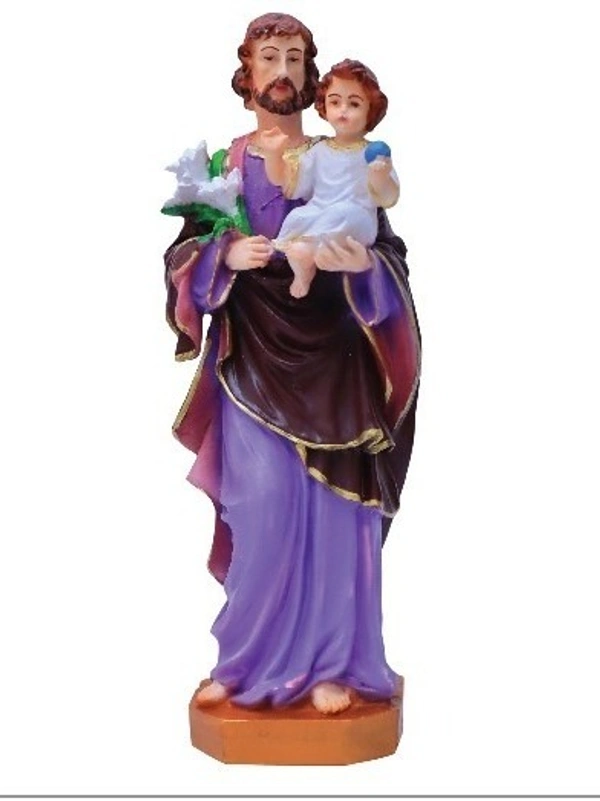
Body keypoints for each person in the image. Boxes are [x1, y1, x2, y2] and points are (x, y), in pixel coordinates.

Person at [163, 13, 421, 715]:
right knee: (262, 507)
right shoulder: (224, 166)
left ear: (312, 76)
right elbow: (181, 257)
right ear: (246, 73)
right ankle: (245, 660)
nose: (283, 71)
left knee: (337, 517)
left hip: (334, 359)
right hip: (252, 362)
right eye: (269, 57)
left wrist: (364, 266)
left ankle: (336, 662)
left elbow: (390, 254)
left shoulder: (342, 154)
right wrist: (224, 254)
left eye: (296, 58)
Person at [261, 59, 399, 298]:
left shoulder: (372, 153)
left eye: (354, 104)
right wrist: (274, 156)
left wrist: (380, 175)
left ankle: (320, 252)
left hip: (355, 217)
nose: (343, 110)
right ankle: (304, 269)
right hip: (320, 212)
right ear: (324, 105)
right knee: (297, 215)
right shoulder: (318, 150)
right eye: (335, 102)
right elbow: (293, 187)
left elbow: (388, 198)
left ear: (371, 110)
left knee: (341, 213)